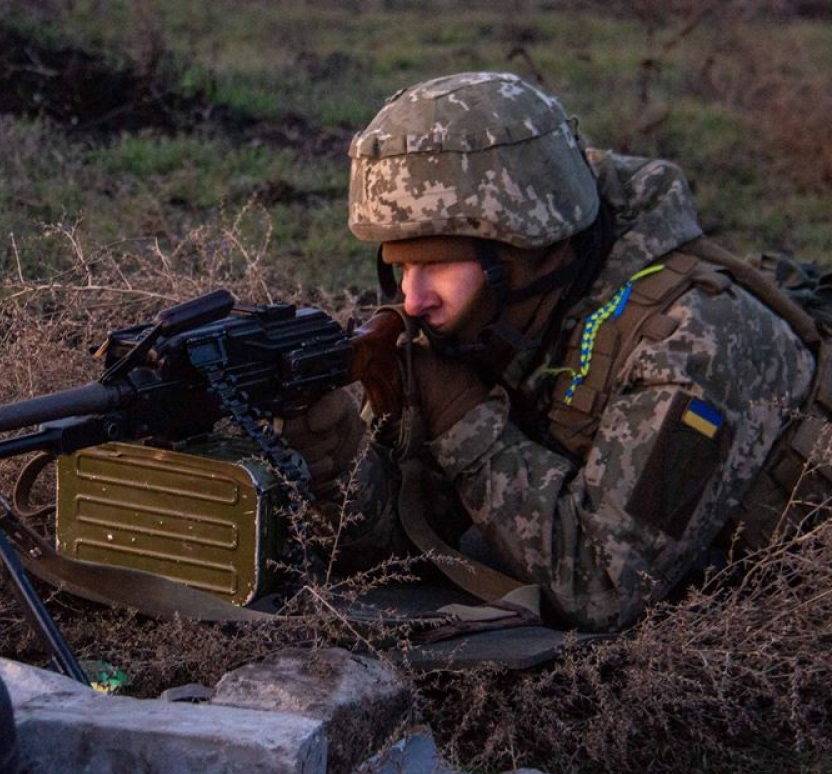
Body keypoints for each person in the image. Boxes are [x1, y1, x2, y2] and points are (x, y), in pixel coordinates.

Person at [284, 71, 828, 632]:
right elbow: (400, 549)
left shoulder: (692, 338)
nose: (411, 298)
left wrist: (462, 419)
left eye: (438, 264)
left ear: (525, 250)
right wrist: (340, 462)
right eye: (399, 266)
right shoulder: (497, 315)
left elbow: (605, 589)